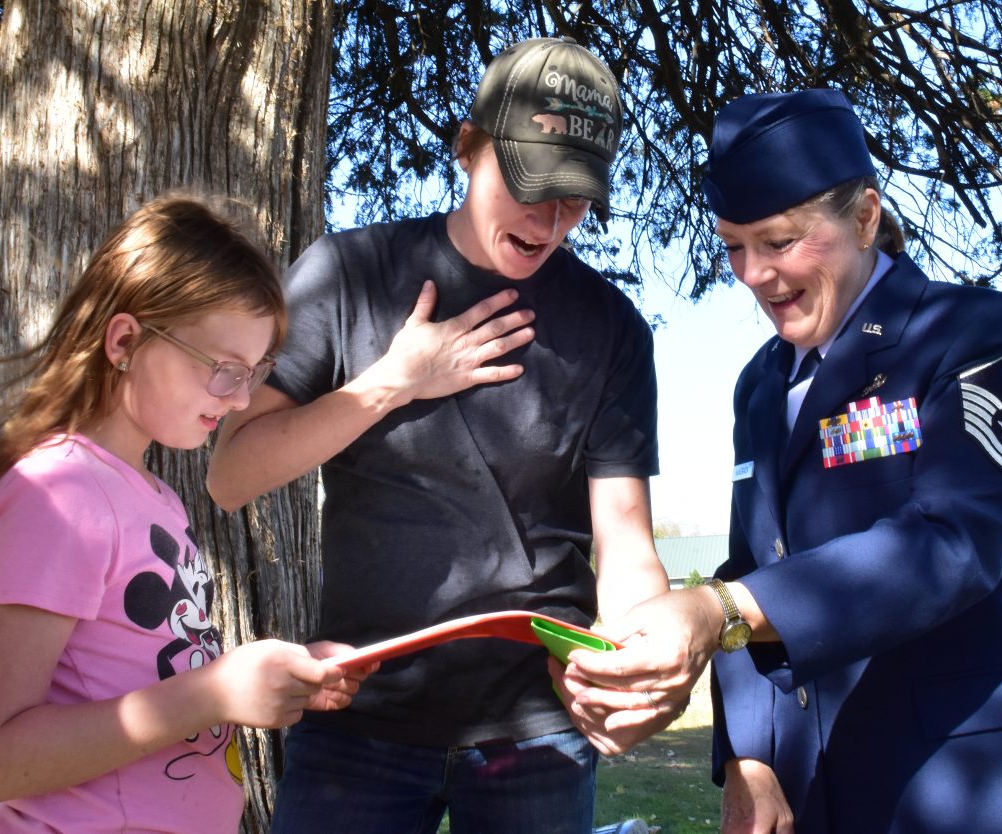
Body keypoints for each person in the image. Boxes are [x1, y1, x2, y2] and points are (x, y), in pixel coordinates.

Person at [556, 89, 1002, 833]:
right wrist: (749, 759)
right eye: (733, 246)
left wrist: (722, 611)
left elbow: (954, 539)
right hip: (820, 792)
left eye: (779, 241)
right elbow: (748, 569)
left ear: (865, 217)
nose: (751, 274)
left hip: (984, 787)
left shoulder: (976, 331)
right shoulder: (760, 384)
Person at [207, 37, 671, 834]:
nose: (549, 220)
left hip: (536, 733)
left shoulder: (614, 329)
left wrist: (639, 656)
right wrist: (392, 383)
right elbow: (231, 474)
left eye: (575, 197)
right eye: (529, 183)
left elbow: (624, 540)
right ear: (467, 146)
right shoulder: (347, 273)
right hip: (355, 721)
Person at [0, 196, 370, 834]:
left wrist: (277, 673)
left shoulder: (151, 497)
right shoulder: (57, 495)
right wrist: (215, 693)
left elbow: (148, 671)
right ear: (125, 341)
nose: (242, 399)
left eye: (256, 372)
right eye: (225, 369)